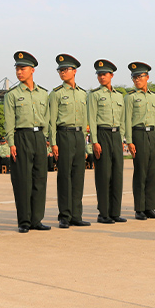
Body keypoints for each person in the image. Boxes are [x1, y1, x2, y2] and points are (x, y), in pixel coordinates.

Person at [5, 51, 51, 233]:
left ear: (32, 70)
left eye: (22, 69)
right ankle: (24, 220)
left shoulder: (43, 94)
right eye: (17, 69)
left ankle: (36, 219)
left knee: (40, 179)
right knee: (22, 180)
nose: (19, 72)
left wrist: (46, 138)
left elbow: (46, 118)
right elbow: (9, 120)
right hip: (21, 137)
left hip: (39, 137)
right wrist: (11, 142)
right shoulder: (12, 95)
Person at [49, 53, 91, 228]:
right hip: (63, 135)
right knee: (65, 176)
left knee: (78, 176)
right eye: (60, 70)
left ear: (74, 71)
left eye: (65, 69)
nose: (62, 72)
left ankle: (76, 215)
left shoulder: (83, 94)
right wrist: (53, 143)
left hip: (79, 136)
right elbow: (51, 120)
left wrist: (86, 144)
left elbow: (85, 120)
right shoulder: (56, 94)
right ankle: (64, 215)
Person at [87, 59, 126, 224]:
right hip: (102, 135)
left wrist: (122, 138)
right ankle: (103, 213)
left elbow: (122, 120)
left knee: (117, 175)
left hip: (116, 136)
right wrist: (94, 141)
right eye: (99, 75)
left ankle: (115, 212)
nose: (102, 77)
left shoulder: (119, 96)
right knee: (104, 175)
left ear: (112, 75)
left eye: (105, 74)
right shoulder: (95, 95)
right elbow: (92, 119)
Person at [125, 62, 155, 220]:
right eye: (134, 77)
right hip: (138, 134)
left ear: (147, 77)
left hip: (152, 135)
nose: (136, 80)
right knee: (140, 172)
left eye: (139, 76)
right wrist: (129, 140)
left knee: (152, 172)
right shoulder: (130, 98)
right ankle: (139, 208)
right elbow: (127, 120)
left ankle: (150, 207)